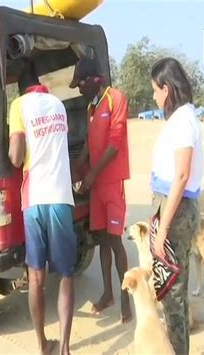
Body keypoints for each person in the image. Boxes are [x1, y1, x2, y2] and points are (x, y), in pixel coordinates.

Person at [8, 61, 76, 355]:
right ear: (40, 82)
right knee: (66, 274)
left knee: (36, 276)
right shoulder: (58, 104)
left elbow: (14, 156)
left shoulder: (19, 105)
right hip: (61, 196)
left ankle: (42, 345)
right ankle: (66, 348)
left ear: (21, 87)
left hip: (34, 199)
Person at [69, 56, 132, 323]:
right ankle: (108, 293)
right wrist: (77, 165)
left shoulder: (116, 99)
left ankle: (126, 300)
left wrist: (92, 174)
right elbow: (88, 143)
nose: (79, 89)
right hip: (96, 187)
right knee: (101, 239)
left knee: (116, 241)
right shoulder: (91, 108)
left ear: (94, 79)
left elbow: (115, 143)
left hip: (111, 183)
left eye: (80, 84)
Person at [150, 57, 203, 355]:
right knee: (176, 289)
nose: (154, 97)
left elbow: (181, 175)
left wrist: (163, 228)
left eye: (156, 91)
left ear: (167, 89)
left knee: (171, 292)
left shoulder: (183, 121)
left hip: (176, 210)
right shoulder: (183, 118)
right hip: (175, 206)